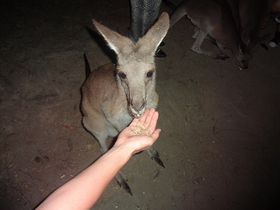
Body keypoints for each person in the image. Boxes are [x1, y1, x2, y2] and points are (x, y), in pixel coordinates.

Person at [36, 108, 161, 210]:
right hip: (100, 115)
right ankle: (105, 150)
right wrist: (124, 147)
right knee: (102, 130)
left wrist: (125, 146)